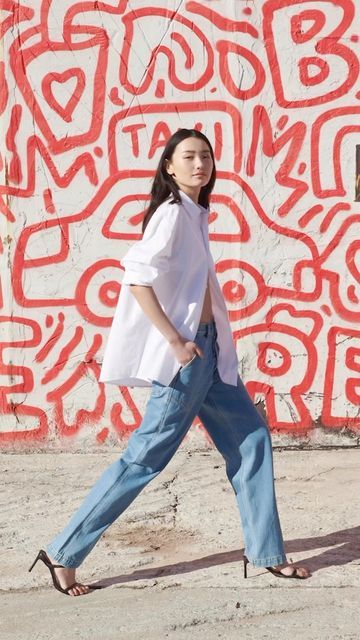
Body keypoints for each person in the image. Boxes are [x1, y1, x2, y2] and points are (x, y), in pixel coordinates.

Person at [29, 128, 310, 596]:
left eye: (206, 156)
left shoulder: (195, 212)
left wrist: (203, 340)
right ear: (170, 167)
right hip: (187, 358)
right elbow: (137, 278)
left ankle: (267, 553)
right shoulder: (173, 213)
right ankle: (63, 551)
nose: (200, 164)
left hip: (210, 350)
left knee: (253, 439)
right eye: (189, 157)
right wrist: (175, 341)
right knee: (144, 458)